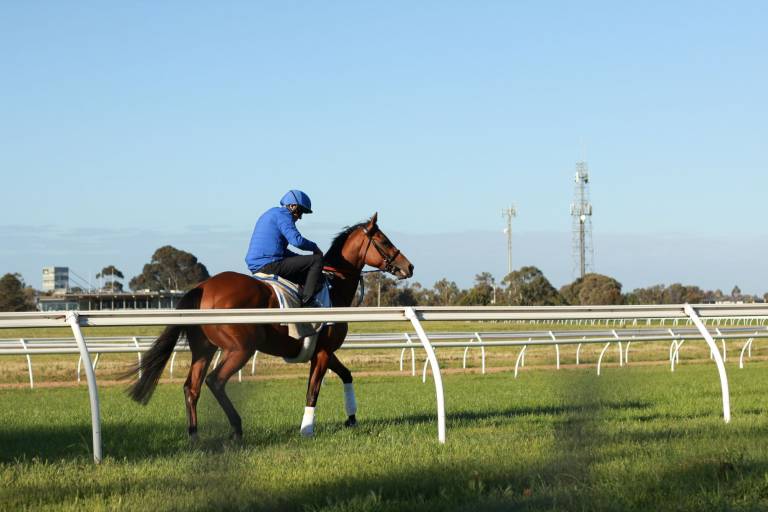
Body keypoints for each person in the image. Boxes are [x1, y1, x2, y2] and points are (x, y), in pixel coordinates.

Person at [245, 190, 324, 306]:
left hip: (257, 265)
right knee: (317, 260)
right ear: (292, 206)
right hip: (270, 264)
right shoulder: (284, 215)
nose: (300, 217)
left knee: (308, 263)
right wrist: (315, 248)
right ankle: (308, 303)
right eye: (300, 211)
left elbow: (280, 251)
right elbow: (297, 241)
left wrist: (301, 258)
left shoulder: (272, 213)